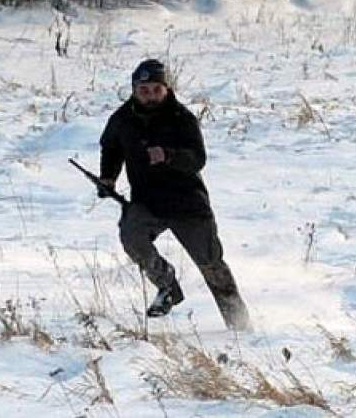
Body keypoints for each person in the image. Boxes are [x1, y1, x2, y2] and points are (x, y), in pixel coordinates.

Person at [98, 59, 251, 330]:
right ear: (134, 90)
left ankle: (239, 325)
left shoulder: (182, 119)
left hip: (188, 205)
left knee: (211, 264)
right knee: (132, 236)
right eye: (144, 90)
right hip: (148, 202)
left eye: (156, 90)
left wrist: (169, 156)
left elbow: (197, 158)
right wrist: (108, 178)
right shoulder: (122, 120)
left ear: (166, 89)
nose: (150, 96)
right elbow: (111, 148)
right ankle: (167, 286)